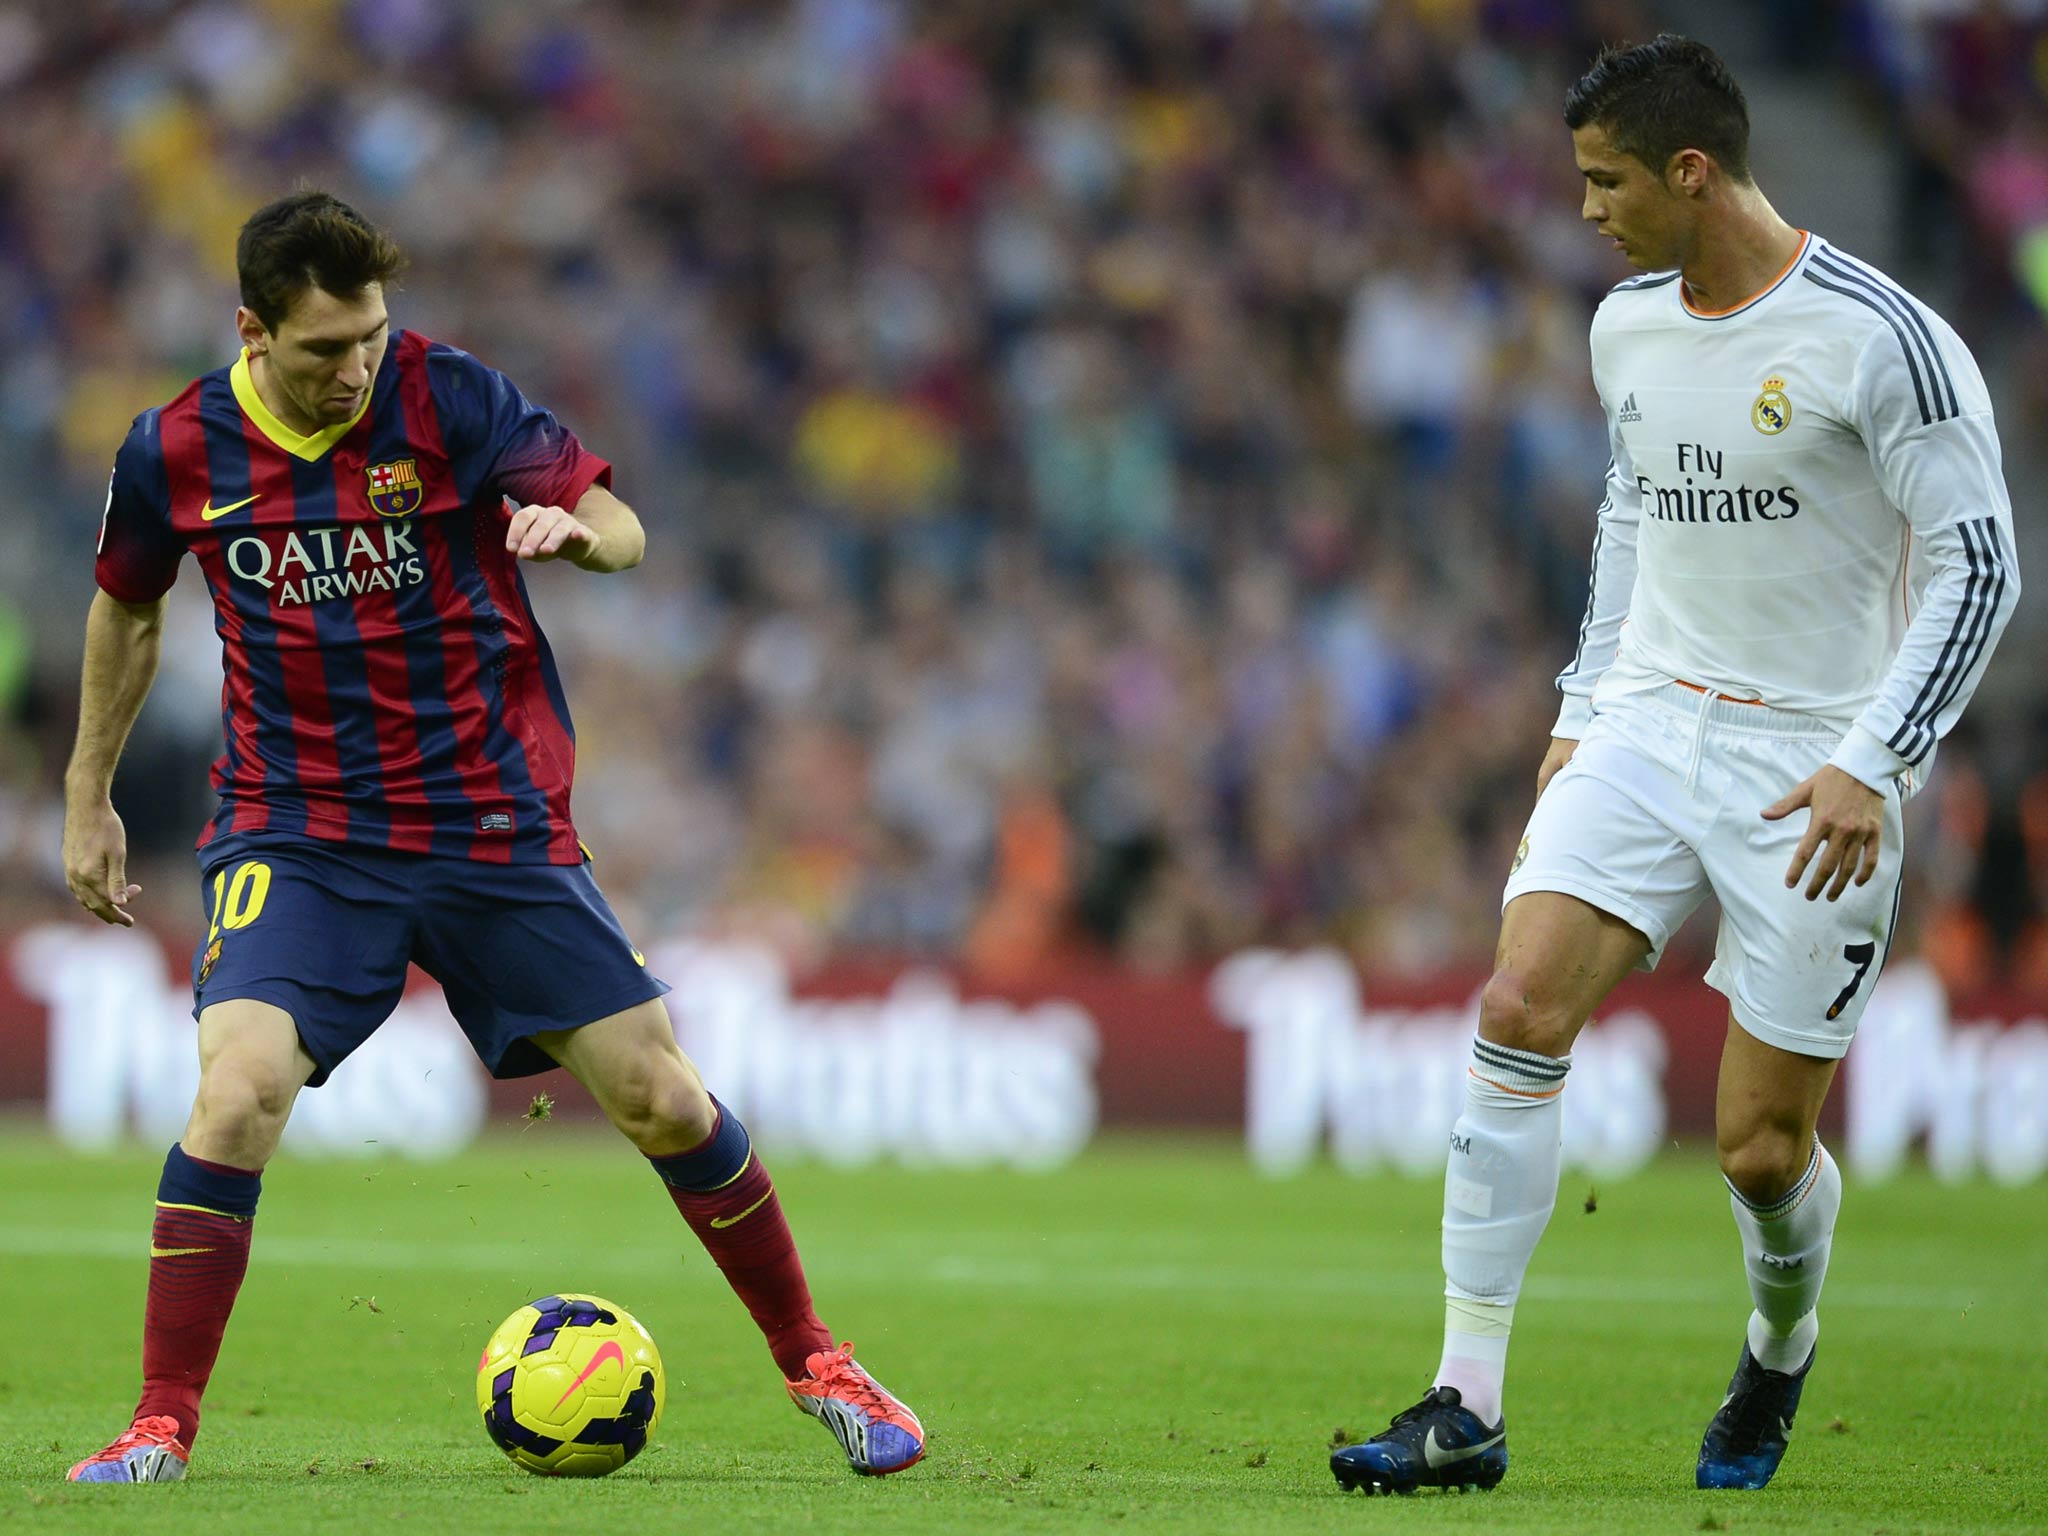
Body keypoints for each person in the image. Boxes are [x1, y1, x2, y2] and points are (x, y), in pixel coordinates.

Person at [60, 190, 924, 1483]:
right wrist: (88, 795)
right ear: (251, 329)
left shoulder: (447, 398)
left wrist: (581, 538)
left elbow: (620, 523)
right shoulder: (172, 449)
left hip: (483, 815)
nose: (355, 367)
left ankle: (820, 1365)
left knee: (660, 1092)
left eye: (369, 336)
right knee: (236, 1091)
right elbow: (126, 609)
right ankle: (159, 1425)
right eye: (322, 348)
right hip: (297, 833)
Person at [1331, 35, 2018, 1496]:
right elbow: (1632, 526)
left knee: (1761, 1153)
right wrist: (1584, 701)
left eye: (1606, 182)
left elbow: (1983, 571)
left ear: (1690, 172)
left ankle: (1778, 1346)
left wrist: (1874, 760)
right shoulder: (1628, 326)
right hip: (1649, 719)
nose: (1586, 210)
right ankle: (1464, 1402)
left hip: (1812, 767)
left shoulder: (1882, 339)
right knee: (1516, 1002)